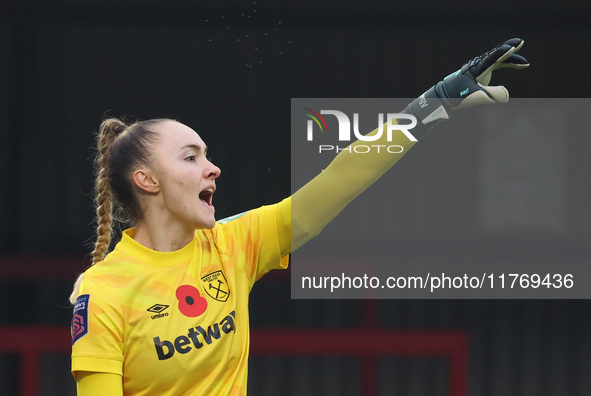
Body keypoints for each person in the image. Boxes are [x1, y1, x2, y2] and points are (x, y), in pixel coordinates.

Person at [70, 38, 528, 395]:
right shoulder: (104, 292)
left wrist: (435, 103)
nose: (213, 168)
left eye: (207, 156)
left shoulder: (234, 245)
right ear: (147, 181)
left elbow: (344, 176)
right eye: (190, 158)